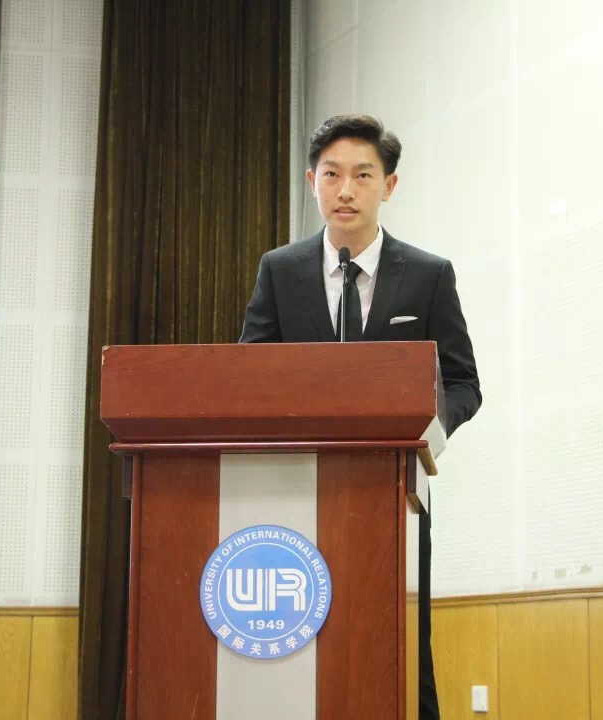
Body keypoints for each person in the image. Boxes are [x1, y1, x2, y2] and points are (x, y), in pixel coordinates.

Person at [240, 113, 481, 719]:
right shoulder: (279, 270)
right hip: (293, 494)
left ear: (388, 186)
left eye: (363, 175)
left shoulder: (428, 275)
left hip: (395, 493)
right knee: (302, 648)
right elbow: (247, 378)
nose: (345, 190)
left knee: (399, 647)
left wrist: (427, 429)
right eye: (332, 175)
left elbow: (462, 383)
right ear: (312, 182)